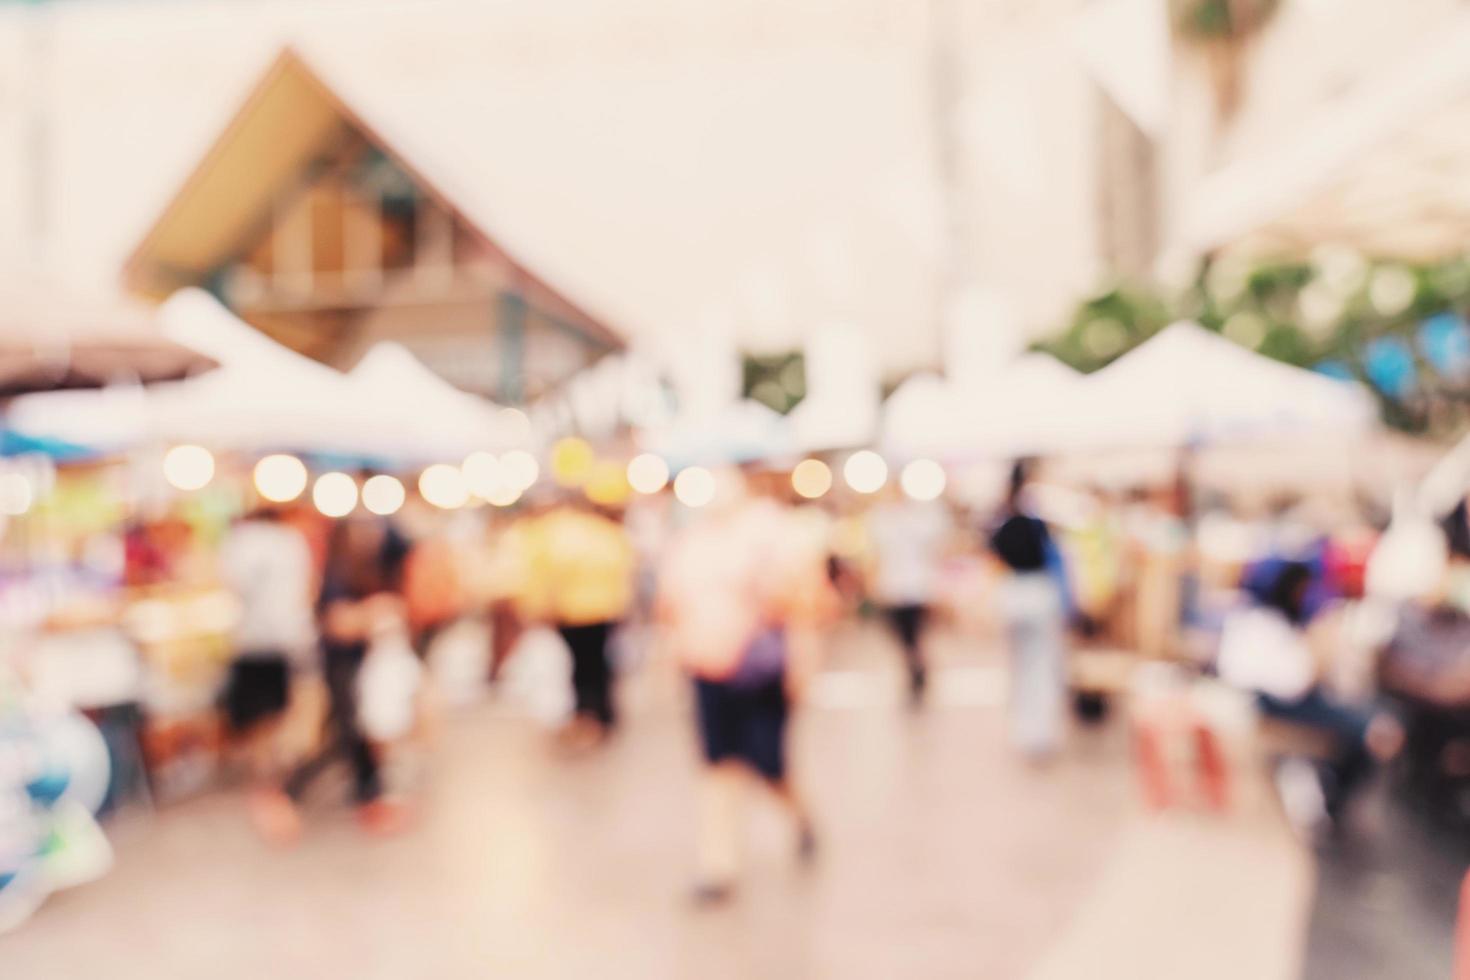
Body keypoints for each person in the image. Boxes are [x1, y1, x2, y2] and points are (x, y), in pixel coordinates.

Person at [658, 470, 835, 904]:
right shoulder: (690, 545)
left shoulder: (774, 538)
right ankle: (718, 864)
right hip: (707, 667)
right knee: (718, 763)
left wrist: (803, 663)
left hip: (759, 671)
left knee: (769, 763)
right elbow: (671, 609)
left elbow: (803, 606)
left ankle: (799, 816)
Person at [250, 510, 412, 843]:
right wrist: (371, 616)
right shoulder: (336, 573)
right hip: (339, 663)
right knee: (348, 731)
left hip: (353, 662)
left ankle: (366, 796)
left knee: (349, 733)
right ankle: (296, 793)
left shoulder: (361, 568)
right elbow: (335, 622)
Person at [1218, 561, 1400, 833]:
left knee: (1370, 725)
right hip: (1271, 704)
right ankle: (1331, 804)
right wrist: (1317, 651)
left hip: (1289, 700)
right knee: (1371, 733)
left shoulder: (1271, 621)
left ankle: (1332, 793)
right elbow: (1294, 684)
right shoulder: (1262, 625)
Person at [515, 497, 635, 749]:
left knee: (580, 670)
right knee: (600, 665)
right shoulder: (604, 532)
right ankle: (603, 716)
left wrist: (539, 607)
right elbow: (624, 566)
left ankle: (586, 719)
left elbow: (545, 575)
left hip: (573, 612)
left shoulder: (553, 534)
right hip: (605, 609)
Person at [217, 505, 316, 780]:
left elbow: (232, 586)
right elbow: (307, 587)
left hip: (252, 638)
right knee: (278, 707)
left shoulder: (240, 542)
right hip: (287, 635)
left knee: (256, 711)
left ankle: (264, 767)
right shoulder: (291, 541)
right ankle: (275, 761)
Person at [988, 460, 1069, 759]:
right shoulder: (1039, 521)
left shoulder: (1003, 520)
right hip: (1036, 593)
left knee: (1021, 666)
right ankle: (1039, 732)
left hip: (1013, 595)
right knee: (1041, 666)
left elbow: (995, 552)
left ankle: (1026, 732)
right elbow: (1054, 559)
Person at [867, 487, 950, 703]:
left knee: (913, 634)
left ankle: (917, 667)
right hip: (895, 588)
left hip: (916, 589)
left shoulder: (918, 519)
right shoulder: (883, 519)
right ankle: (915, 666)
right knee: (904, 636)